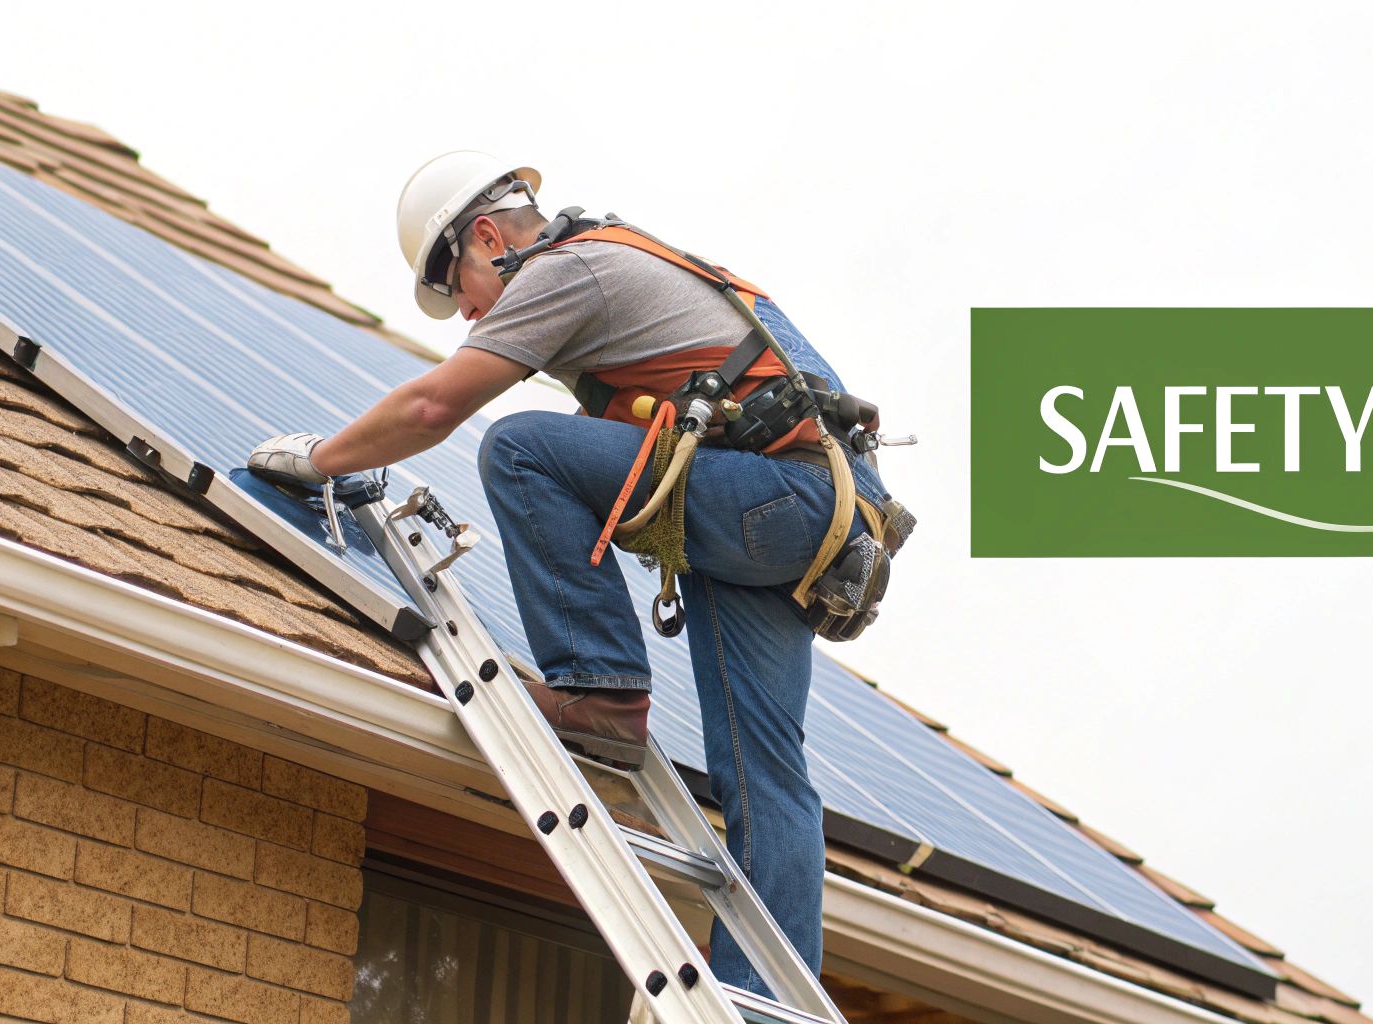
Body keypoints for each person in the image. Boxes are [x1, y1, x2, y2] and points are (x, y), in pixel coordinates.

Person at [248, 151, 907, 997]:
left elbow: (432, 406)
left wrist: (322, 460)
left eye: (458, 289)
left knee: (522, 449)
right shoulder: (625, 261)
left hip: (777, 497)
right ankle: (768, 1007)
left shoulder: (569, 269)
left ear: (486, 235)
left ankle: (599, 690)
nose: (467, 316)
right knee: (765, 773)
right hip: (814, 520)